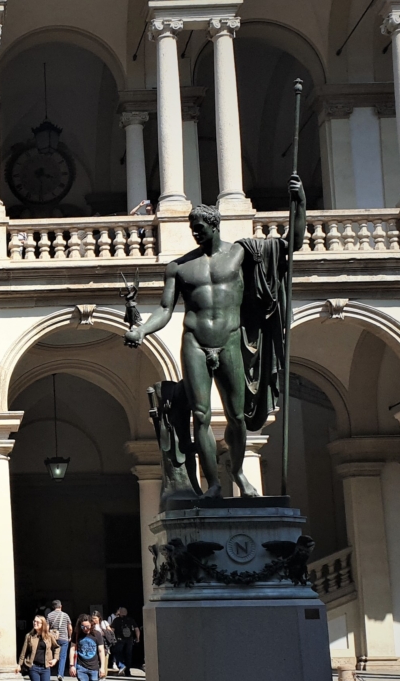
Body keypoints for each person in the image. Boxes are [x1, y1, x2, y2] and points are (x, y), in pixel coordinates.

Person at [125, 176, 306, 500]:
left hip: (230, 340)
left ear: (214, 225)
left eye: (200, 228)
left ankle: (237, 472)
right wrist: (142, 329)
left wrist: (300, 202)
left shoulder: (240, 254)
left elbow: (291, 243)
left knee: (237, 416)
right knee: (201, 416)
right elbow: (165, 309)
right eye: (193, 228)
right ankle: (213, 484)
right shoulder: (179, 267)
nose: (196, 233)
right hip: (195, 341)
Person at [17, 615, 59, 681]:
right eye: (34, 621)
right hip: (33, 667)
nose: (35, 623)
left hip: (45, 667)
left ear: (43, 624)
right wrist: (19, 665)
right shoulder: (29, 636)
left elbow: (57, 647)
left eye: (37, 622)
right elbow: (23, 652)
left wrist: (55, 659)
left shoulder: (49, 636)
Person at [68, 615, 102, 681]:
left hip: (94, 668)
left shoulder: (97, 634)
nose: (86, 629)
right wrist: (72, 665)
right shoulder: (77, 635)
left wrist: (102, 667)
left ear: (91, 625)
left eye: (87, 627)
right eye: (83, 627)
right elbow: (72, 649)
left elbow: (101, 651)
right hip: (81, 667)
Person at [45, 600, 72, 681]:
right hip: (64, 638)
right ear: (61, 606)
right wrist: (70, 636)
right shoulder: (66, 615)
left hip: (53, 638)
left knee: (51, 655)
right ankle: (60, 674)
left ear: (53, 607)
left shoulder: (49, 615)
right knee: (62, 657)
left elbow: (46, 628)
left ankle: (48, 673)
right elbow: (70, 628)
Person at [110, 607, 140, 676]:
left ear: (119, 613)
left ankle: (122, 665)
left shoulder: (116, 620)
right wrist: (137, 638)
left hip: (119, 639)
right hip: (129, 640)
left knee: (117, 652)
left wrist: (111, 639)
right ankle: (128, 671)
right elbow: (137, 629)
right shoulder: (131, 620)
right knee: (128, 655)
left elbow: (112, 630)